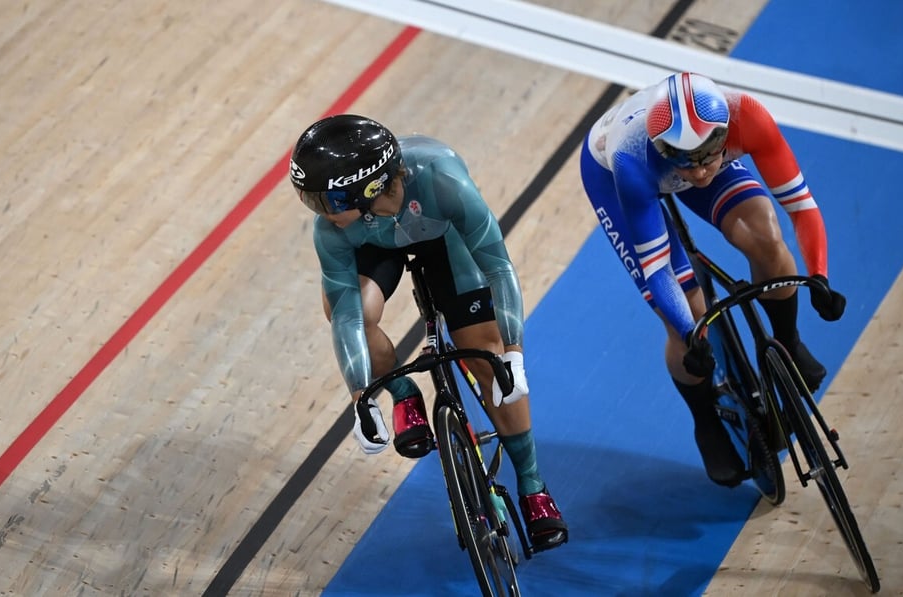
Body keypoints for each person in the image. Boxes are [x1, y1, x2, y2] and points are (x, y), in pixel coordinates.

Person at [289, 114, 568, 551]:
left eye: (325, 200)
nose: (319, 213)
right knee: (352, 312)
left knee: (487, 359)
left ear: (364, 190)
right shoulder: (334, 229)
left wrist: (511, 351)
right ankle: (405, 394)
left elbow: (497, 265)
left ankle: (533, 487)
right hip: (375, 245)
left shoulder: (442, 179)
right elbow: (346, 318)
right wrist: (361, 397)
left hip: (444, 239)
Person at [578, 72, 847, 487]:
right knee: (688, 312)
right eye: (687, 159)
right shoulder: (632, 158)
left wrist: (820, 276)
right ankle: (705, 421)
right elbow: (658, 270)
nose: (701, 173)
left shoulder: (747, 118)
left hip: (671, 163)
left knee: (767, 239)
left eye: (708, 156)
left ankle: (787, 342)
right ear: (665, 147)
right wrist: (691, 333)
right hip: (617, 177)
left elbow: (802, 209)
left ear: (723, 135)